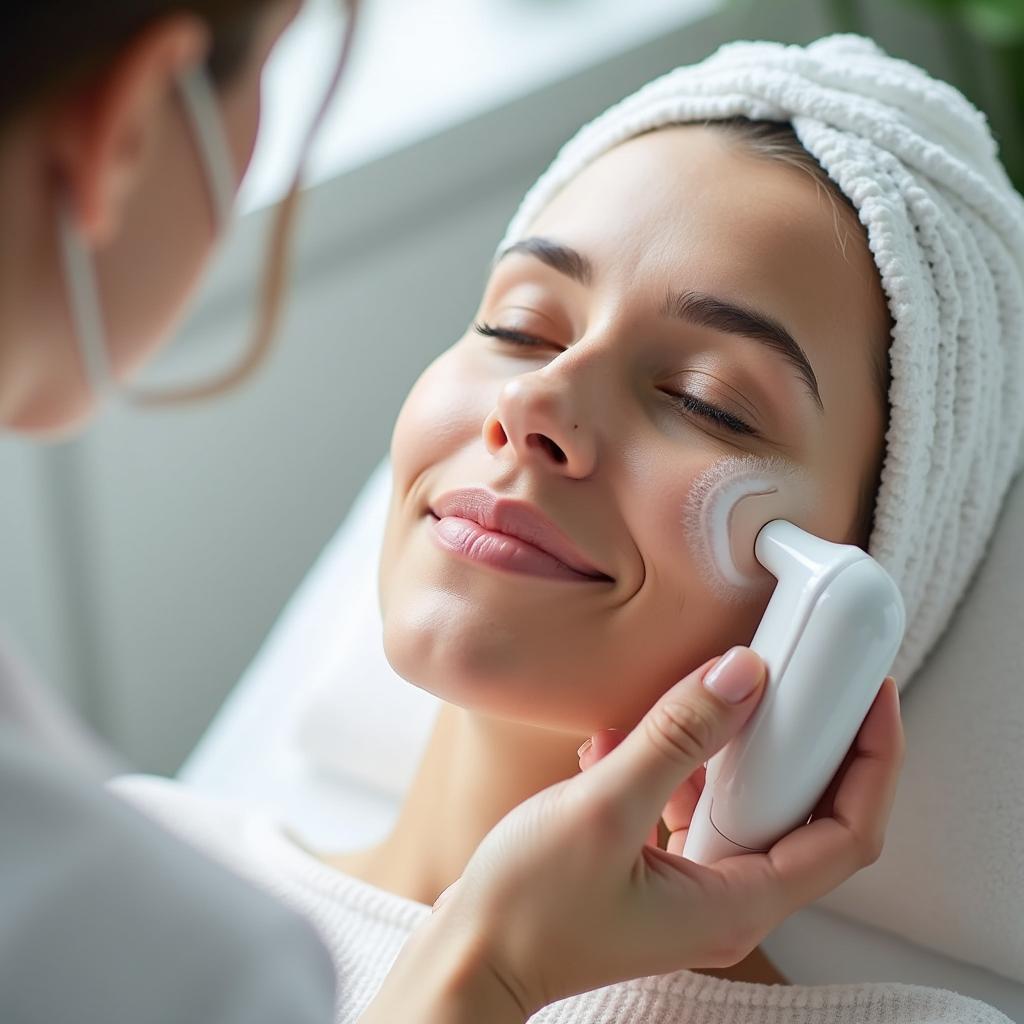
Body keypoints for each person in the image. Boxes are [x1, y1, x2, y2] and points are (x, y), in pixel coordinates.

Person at [112, 35, 1021, 1024]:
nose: (537, 401)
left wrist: (492, 971)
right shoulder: (107, 875)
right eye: (519, 328)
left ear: (848, 591)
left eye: (706, 399)